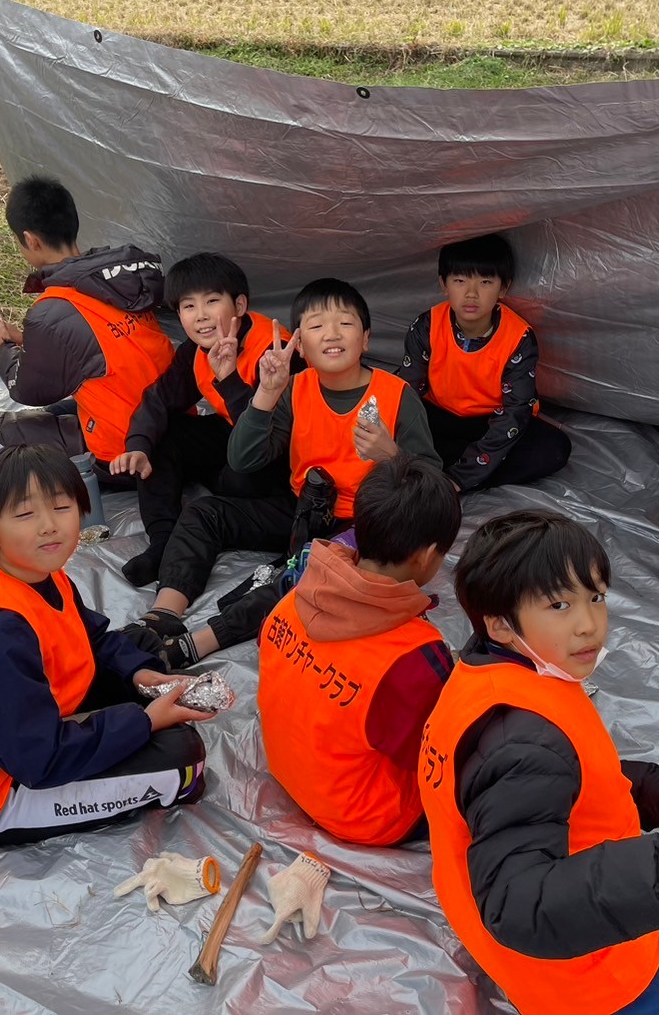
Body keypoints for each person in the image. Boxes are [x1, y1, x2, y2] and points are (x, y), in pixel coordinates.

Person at [418, 510, 659, 1015]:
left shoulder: (483, 678)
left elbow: (569, 781)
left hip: (526, 923)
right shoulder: (522, 740)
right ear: (500, 623)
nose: (589, 625)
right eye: (559, 605)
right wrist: (658, 877)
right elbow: (515, 904)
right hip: (570, 965)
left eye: (597, 597)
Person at [0, 445, 214, 844]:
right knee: (182, 757)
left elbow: (91, 637)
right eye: (25, 514)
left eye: (61, 508)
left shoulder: (33, 571)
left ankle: (125, 709)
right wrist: (145, 721)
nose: (49, 526)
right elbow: (38, 760)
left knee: (139, 648)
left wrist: (141, 675)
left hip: (26, 723)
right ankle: (167, 772)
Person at [130, 278, 439, 668]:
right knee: (204, 513)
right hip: (300, 510)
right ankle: (164, 612)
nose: (331, 334)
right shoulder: (294, 388)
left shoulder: (397, 395)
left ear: (365, 339)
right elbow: (243, 460)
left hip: (364, 527)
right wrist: (265, 394)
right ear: (300, 345)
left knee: (306, 575)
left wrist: (391, 455)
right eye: (315, 326)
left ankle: (203, 641)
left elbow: (432, 484)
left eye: (345, 324)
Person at [258, 455, 460, 847]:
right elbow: (441, 756)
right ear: (426, 555)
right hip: (367, 817)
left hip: (289, 770)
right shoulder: (411, 657)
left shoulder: (295, 598)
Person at [110, 253, 291, 586]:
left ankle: (211, 515)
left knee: (240, 471)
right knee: (166, 430)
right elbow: (160, 399)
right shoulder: (195, 350)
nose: (201, 316)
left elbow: (269, 441)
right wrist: (138, 445)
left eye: (211, 301)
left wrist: (232, 378)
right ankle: (163, 541)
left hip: (277, 461)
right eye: (188, 306)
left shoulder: (274, 351)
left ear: (239, 305)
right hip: (231, 441)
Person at [0, 176, 175, 473]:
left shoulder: (53, 309)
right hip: (174, 422)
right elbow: (95, 340)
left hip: (127, 456)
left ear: (31, 240)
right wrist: (23, 338)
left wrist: (3, 347)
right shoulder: (114, 277)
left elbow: (29, 391)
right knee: (57, 412)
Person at [400, 234, 571, 492]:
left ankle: (447, 476)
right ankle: (450, 466)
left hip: (491, 422)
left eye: (485, 282)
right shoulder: (427, 325)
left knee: (553, 449)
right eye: (459, 281)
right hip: (438, 416)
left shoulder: (519, 338)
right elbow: (409, 389)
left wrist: (459, 479)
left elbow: (515, 413)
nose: (471, 294)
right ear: (443, 285)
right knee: (387, 416)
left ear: (503, 288)